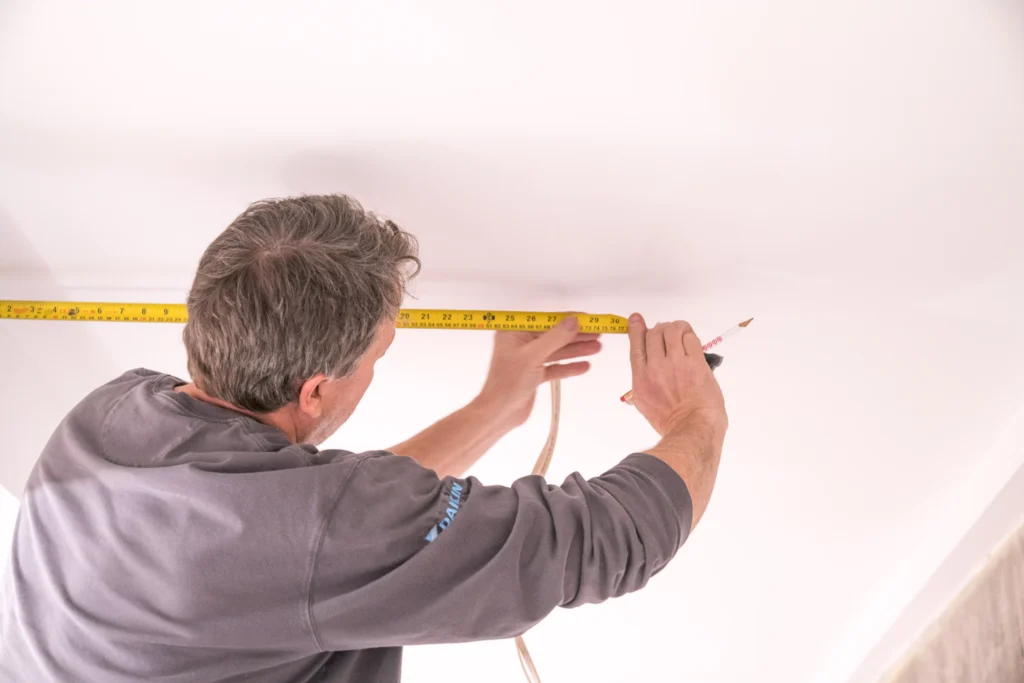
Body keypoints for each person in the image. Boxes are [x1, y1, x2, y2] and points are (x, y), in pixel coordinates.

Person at [0, 194, 728, 682]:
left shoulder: (111, 412)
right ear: (315, 389)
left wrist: (494, 408)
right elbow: (601, 542)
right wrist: (697, 416)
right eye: (378, 356)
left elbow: (309, 526)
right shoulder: (321, 532)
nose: (378, 368)